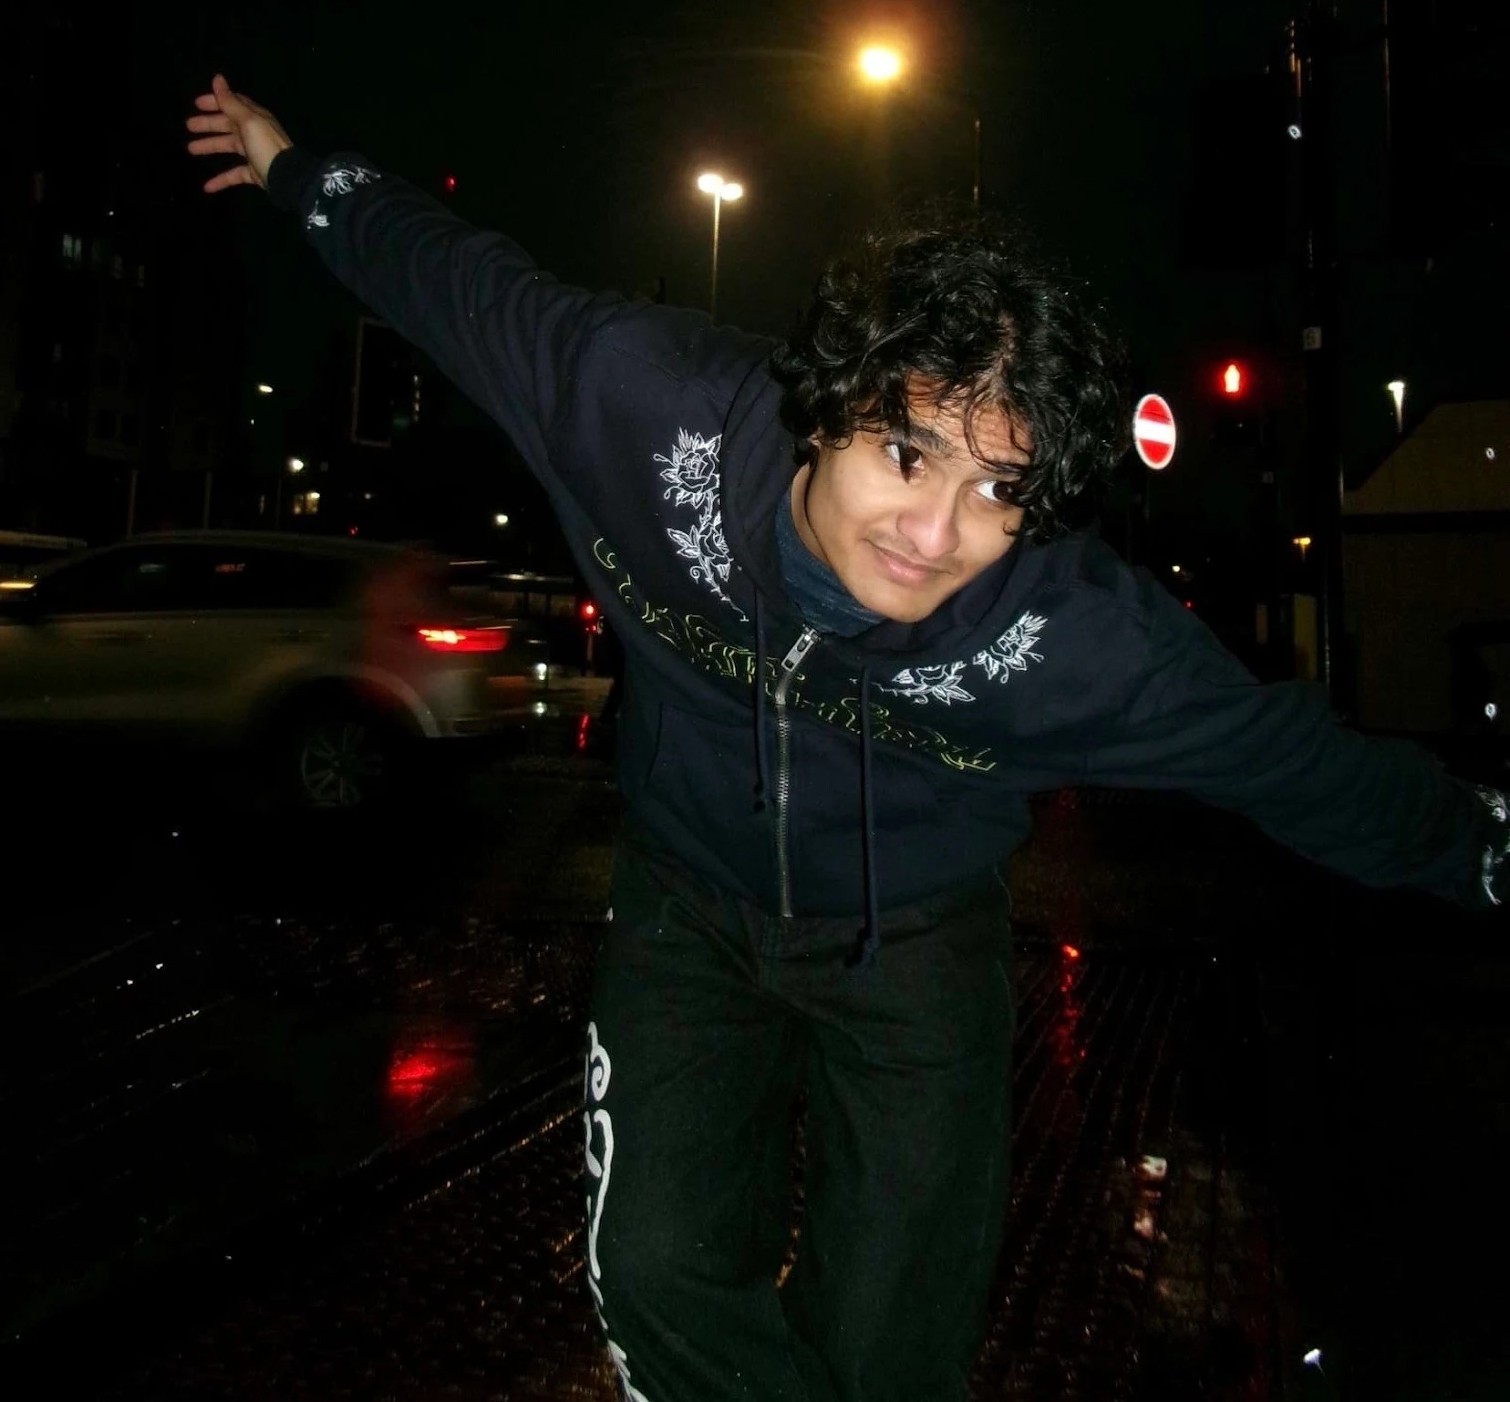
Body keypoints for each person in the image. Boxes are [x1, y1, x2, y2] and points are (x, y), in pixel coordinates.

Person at [189, 74, 1507, 1402]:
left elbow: (1294, 764)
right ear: (826, 404)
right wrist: (300, 172)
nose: (932, 534)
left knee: (896, 1342)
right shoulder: (645, 411)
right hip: (685, 902)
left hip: (915, 941)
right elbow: (456, 278)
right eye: (902, 449)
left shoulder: (1073, 631)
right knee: (656, 1270)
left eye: (999, 489)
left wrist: (1488, 851)